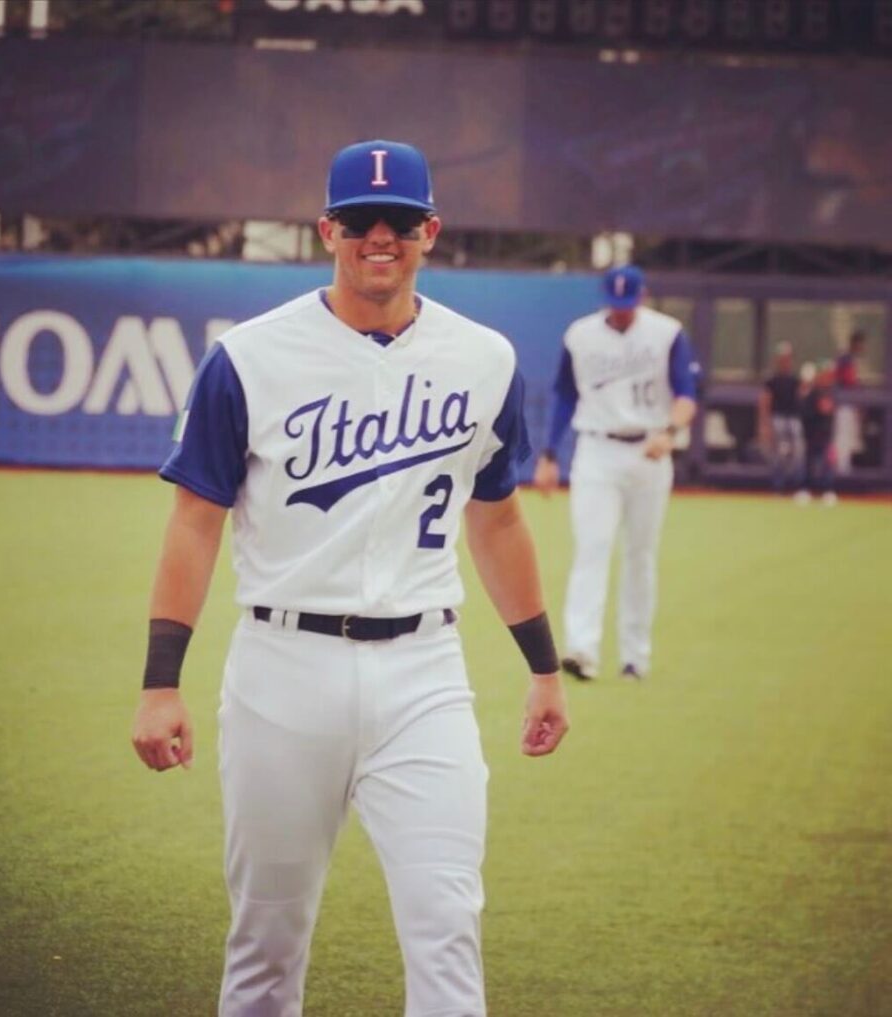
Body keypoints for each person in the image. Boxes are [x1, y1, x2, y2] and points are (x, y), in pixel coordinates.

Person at [131, 139, 569, 1017]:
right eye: (361, 221)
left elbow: (500, 518)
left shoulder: (484, 359)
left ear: (431, 231)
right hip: (280, 668)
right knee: (266, 940)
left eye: (401, 221)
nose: (381, 236)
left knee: (448, 925)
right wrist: (159, 684)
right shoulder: (250, 358)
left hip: (425, 674)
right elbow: (193, 521)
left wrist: (544, 665)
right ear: (325, 229)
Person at [532, 265, 699, 681]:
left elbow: (687, 395)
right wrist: (550, 454)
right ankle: (581, 650)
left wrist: (671, 431)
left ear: (642, 297)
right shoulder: (581, 335)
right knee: (592, 548)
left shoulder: (667, 333)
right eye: (614, 303)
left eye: (628, 303)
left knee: (640, 555)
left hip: (650, 450)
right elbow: (565, 397)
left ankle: (634, 657)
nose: (621, 311)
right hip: (597, 451)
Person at [758, 341, 805, 494]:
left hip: (793, 419)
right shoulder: (772, 380)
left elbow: (802, 398)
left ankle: (797, 486)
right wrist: (765, 424)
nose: (786, 361)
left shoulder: (795, 380)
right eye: (783, 358)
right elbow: (765, 402)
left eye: (788, 358)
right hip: (777, 418)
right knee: (777, 454)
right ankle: (778, 486)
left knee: (797, 452)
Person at [798, 360, 838, 506]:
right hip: (811, 433)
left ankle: (827, 491)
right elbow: (804, 412)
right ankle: (805, 490)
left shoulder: (829, 392)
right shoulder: (812, 392)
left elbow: (826, 410)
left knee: (826, 464)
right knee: (808, 463)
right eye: (824, 374)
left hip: (824, 434)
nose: (827, 377)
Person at [833, 329, 866, 475]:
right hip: (843, 405)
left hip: (849, 405)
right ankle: (840, 473)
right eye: (861, 344)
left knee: (849, 440)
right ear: (855, 343)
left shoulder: (850, 359)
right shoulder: (845, 359)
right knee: (842, 439)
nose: (863, 348)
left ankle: (844, 470)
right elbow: (849, 382)